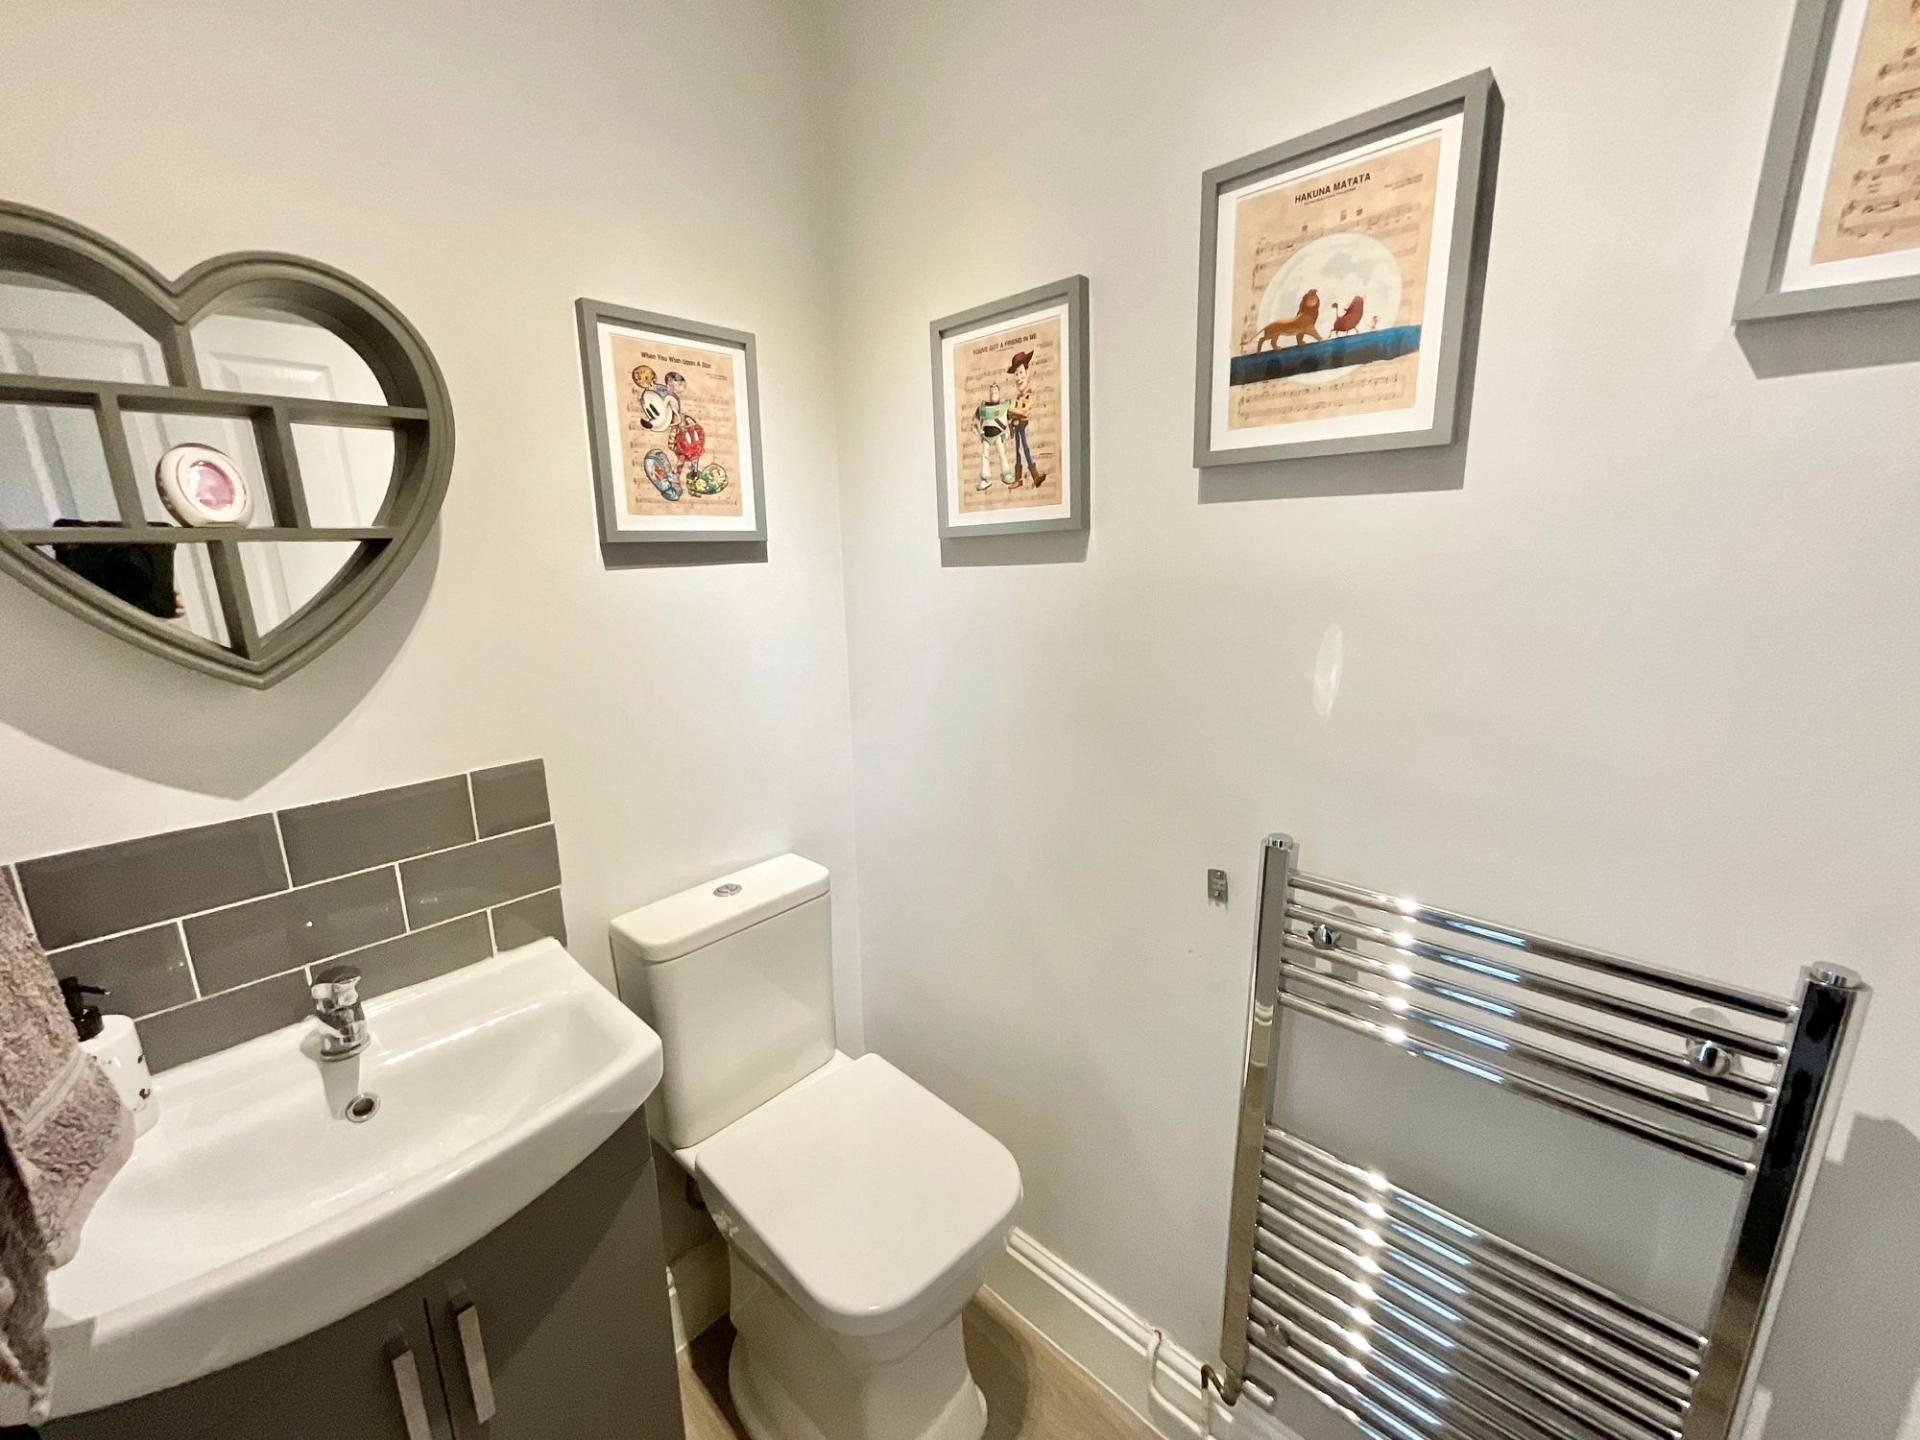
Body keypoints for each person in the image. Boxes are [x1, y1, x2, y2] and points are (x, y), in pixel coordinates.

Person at [1005, 350, 1046, 487]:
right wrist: (1010, 418)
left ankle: (1034, 476)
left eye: (1021, 373)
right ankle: (1020, 479)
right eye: (1016, 374)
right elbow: (1015, 413)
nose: (1018, 377)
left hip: (1022, 426)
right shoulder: (1018, 397)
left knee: (1025, 449)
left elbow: (1024, 411)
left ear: (1027, 373)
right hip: (1017, 426)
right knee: (1018, 450)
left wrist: (1010, 410)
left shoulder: (1028, 395)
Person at [972, 381, 1012, 490]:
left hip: (999, 435)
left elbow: (1009, 421)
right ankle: (986, 479)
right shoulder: (982, 408)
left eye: (995, 390)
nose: (994, 392)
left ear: (999, 392)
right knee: (984, 455)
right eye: (992, 391)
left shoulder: (1004, 407)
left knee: (1002, 453)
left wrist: (1008, 432)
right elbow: (974, 422)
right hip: (986, 436)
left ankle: (1006, 474)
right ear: (989, 393)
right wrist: (978, 432)